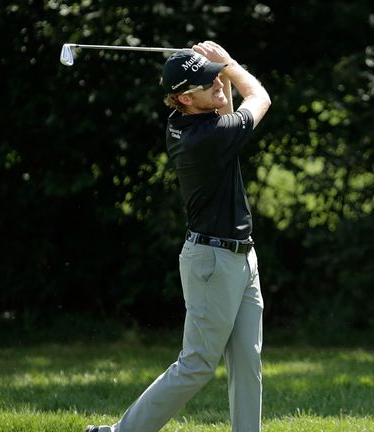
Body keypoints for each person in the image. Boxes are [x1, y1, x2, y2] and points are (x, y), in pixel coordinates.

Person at [86, 41, 271, 432]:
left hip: (240, 256)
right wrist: (231, 61)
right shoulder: (207, 138)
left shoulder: (190, 120)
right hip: (212, 262)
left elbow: (223, 106)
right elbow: (259, 97)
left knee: (247, 360)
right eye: (208, 80)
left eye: (217, 75)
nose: (219, 81)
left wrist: (214, 66)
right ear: (185, 98)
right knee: (197, 364)